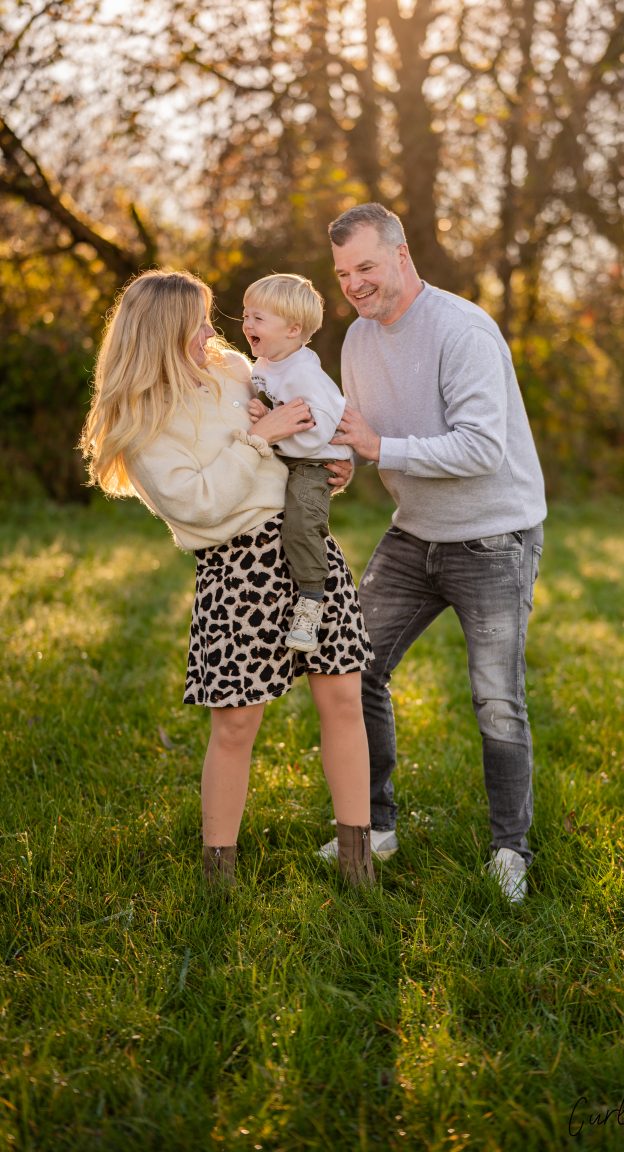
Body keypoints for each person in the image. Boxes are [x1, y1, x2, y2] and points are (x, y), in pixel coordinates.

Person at [79, 268, 375, 888]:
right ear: (163, 332)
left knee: (344, 699)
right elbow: (200, 503)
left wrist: (324, 468)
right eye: (198, 322)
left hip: (304, 546)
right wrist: (257, 436)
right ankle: (219, 874)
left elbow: (296, 432)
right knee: (236, 722)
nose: (213, 331)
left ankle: (358, 861)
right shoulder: (144, 419)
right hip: (237, 567)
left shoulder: (235, 371)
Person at [321, 202, 547, 905]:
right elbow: (370, 433)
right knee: (352, 665)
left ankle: (511, 850)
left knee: (497, 702)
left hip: (493, 537)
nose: (354, 284)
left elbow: (481, 447)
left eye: (365, 266)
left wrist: (379, 449)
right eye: (342, 273)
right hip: (414, 531)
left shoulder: (462, 329)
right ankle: (378, 827)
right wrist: (347, 463)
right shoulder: (357, 340)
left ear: (401, 254)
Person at [242, 273, 352, 654]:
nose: (247, 325)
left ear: (292, 330)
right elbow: (282, 413)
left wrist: (273, 427)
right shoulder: (267, 362)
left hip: (317, 459)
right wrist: (267, 414)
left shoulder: (303, 373)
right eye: (246, 315)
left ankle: (311, 601)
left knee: (301, 525)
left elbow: (317, 430)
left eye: (258, 318)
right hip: (293, 452)